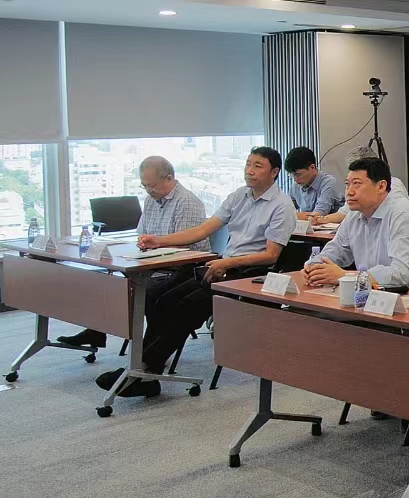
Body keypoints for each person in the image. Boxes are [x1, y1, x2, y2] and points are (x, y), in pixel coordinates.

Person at [95, 147, 296, 397]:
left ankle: (144, 369)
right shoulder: (239, 196)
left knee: (188, 305)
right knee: (160, 299)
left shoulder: (282, 205)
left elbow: (271, 255)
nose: (249, 171)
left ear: (274, 172)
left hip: (251, 274)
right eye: (248, 164)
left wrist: (226, 264)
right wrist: (159, 241)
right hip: (224, 265)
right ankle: (145, 368)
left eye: (258, 166)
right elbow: (203, 230)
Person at [57, 156, 209, 350]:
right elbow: (142, 234)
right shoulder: (151, 200)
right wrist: (143, 244)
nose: (148, 191)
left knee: (149, 292)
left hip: (182, 267)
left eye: (152, 186)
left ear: (169, 178)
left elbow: (183, 245)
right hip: (153, 262)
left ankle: (150, 351)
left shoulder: (187, 202)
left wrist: (153, 246)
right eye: (144, 186)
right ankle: (96, 332)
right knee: (108, 283)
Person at [303, 157, 409, 289]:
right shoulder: (354, 215)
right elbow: (335, 250)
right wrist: (314, 266)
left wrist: (345, 276)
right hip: (369, 294)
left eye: (357, 184)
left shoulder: (404, 216)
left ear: (381, 186)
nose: (349, 192)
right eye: (347, 184)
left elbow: (400, 273)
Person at [309, 147, 409, 225]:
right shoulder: (356, 210)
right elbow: (345, 212)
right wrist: (323, 219)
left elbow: (398, 212)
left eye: (357, 182)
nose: (350, 192)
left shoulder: (393, 185)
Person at [284, 146, 344, 220]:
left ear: (312, 167)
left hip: (333, 226)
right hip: (310, 226)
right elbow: (285, 210)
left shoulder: (329, 183)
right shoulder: (295, 187)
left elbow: (317, 215)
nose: (295, 179)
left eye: (298, 174)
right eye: (292, 175)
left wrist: (289, 215)